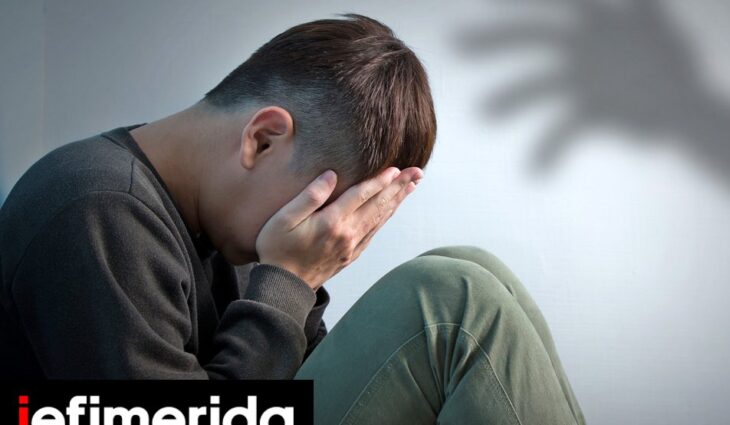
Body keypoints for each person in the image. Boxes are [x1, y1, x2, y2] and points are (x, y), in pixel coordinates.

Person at [0, 13, 585, 424]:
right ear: (263, 139)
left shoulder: (226, 225)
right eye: (325, 209)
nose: (326, 235)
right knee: (454, 299)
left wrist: (292, 286)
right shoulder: (95, 208)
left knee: (471, 267)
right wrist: (289, 280)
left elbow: (299, 374)